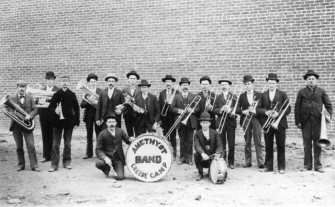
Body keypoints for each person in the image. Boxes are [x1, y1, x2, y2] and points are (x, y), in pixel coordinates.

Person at [294, 70, 333, 173]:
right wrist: (298, 121)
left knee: (318, 143)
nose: (311, 81)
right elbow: (297, 107)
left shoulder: (321, 91)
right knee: (306, 144)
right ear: (306, 81)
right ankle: (307, 165)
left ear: (316, 80)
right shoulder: (301, 92)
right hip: (305, 121)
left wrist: (327, 118)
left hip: (318, 121)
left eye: (313, 79)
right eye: (309, 79)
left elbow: (329, 106)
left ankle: (318, 166)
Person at [257, 73, 291, 174]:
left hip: (280, 124)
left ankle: (281, 167)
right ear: (267, 83)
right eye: (269, 83)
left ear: (276, 83)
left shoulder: (282, 94)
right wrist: (266, 112)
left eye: (273, 83)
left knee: (281, 145)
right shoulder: (263, 95)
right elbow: (258, 108)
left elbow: (288, 108)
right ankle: (268, 166)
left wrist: (278, 113)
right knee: (268, 145)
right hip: (267, 124)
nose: (271, 85)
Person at [6, 80, 40, 172]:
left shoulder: (30, 97)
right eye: (20, 87)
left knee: (31, 146)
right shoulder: (12, 98)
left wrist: (30, 115)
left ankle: (34, 165)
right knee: (19, 146)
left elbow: (36, 109)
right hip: (16, 125)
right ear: (17, 88)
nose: (21, 89)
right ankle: (21, 165)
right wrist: (11, 113)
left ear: (25, 88)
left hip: (27, 125)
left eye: (23, 87)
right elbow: (7, 110)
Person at [48, 75, 80, 172]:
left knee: (67, 144)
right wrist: (55, 111)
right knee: (55, 145)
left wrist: (76, 122)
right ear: (60, 83)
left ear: (69, 82)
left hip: (68, 122)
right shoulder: (56, 94)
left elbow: (77, 109)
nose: (65, 83)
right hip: (57, 123)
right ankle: (54, 165)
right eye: (63, 81)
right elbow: (50, 107)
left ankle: (66, 162)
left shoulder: (72, 94)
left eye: (66, 81)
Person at [236, 75, 264, 169]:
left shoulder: (259, 95)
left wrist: (255, 110)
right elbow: (237, 109)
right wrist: (244, 111)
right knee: (247, 140)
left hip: (256, 119)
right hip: (246, 119)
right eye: (246, 84)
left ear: (252, 84)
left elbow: (262, 108)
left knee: (258, 140)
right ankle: (248, 162)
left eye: (249, 84)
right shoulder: (242, 96)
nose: (247, 86)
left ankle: (260, 162)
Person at [95, 114, 135, 180]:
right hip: (107, 158)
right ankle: (106, 170)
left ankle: (116, 169)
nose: (111, 124)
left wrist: (131, 139)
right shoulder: (102, 134)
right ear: (106, 123)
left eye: (113, 122)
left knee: (120, 177)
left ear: (116, 123)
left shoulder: (120, 131)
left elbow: (128, 141)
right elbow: (98, 149)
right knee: (99, 163)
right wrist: (105, 158)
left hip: (118, 159)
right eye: (109, 122)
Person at [170, 77, 200, 165]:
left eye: (186, 85)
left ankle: (189, 158)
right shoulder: (176, 97)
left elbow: (198, 108)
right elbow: (171, 108)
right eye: (183, 85)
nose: (185, 87)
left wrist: (192, 110)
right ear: (180, 86)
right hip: (180, 122)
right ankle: (182, 158)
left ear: (189, 86)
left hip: (190, 121)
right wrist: (179, 111)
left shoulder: (193, 96)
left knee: (190, 141)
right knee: (182, 141)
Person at [213, 76, 237, 169]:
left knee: (231, 142)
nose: (224, 86)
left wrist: (230, 109)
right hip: (221, 122)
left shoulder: (234, 96)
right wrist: (221, 109)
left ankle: (231, 162)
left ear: (229, 86)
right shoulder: (218, 97)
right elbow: (214, 109)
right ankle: (223, 160)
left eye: (225, 84)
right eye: (222, 85)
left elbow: (238, 109)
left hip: (231, 122)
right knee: (221, 143)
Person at [194, 112, 223, 181]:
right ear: (200, 123)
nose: (205, 125)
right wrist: (202, 153)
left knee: (220, 155)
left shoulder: (215, 133)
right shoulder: (197, 134)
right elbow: (197, 145)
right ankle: (200, 173)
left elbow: (220, 145)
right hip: (203, 157)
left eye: (206, 122)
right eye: (203, 122)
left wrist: (217, 153)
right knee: (196, 154)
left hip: (212, 156)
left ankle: (211, 170)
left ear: (209, 123)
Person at [38, 71, 59, 163]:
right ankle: (46, 156)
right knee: (45, 134)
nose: (50, 81)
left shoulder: (58, 90)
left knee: (54, 136)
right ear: (45, 80)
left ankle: (53, 155)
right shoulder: (41, 90)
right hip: (43, 114)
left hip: (54, 115)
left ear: (54, 80)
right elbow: (37, 102)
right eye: (48, 79)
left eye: (51, 79)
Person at [80, 73, 102, 159]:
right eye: (91, 81)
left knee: (98, 135)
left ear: (96, 82)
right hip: (88, 116)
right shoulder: (86, 92)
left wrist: (97, 102)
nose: (93, 83)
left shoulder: (100, 91)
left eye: (94, 81)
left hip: (97, 116)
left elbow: (103, 104)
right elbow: (82, 105)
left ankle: (99, 153)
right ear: (89, 83)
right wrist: (89, 100)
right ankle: (88, 154)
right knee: (89, 135)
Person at [159, 75, 179, 158]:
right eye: (166, 82)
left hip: (173, 117)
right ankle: (166, 151)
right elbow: (160, 106)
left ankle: (174, 152)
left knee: (173, 135)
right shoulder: (162, 93)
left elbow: (178, 105)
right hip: (164, 118)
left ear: (172, 83)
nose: (168, 83)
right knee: (165, 135)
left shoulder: (177, 92)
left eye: (169, 82)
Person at [122, 70, 141, 137]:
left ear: (136, 80)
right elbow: (122, 102)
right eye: (131, 78)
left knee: (138, 133)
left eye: (134, 78)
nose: (132, 80)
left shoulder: (140, 89)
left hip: (137, 114)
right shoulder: (124, 89)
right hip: (127, 114)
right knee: (130, 134)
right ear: (128, 80)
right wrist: (126, 101)